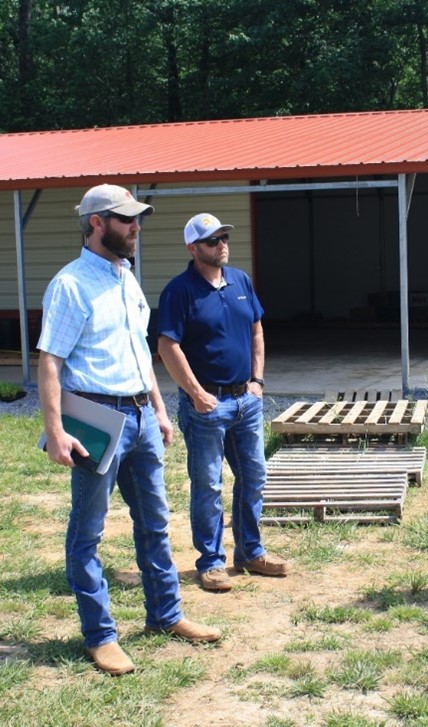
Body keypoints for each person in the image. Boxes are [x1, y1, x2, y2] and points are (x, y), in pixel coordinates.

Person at [37, 185, 220, 677]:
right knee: (88, 532)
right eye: (126, 220)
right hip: (94, 419)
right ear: (97, 223)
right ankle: (100, 637)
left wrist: (158, 409)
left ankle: (166, 615)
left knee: (155, 523)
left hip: (140, 417)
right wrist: (55, 430)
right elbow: (50, 361)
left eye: (138, 219)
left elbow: (141, 353)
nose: (136, 227)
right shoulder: (71, 285)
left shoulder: (126, 279)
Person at [157, 213, 289, 593]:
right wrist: (197, 394)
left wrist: (257, 381)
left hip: (245, 402)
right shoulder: (179, 292)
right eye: (212, 240)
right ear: (193, 248)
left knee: (254, 477)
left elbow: (256, 330)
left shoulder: (241, 281)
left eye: (223, 238)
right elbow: (167, 346)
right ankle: (211, 562)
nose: (221, 245)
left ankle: (249, 552)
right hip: (206, 407)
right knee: (208, 485)